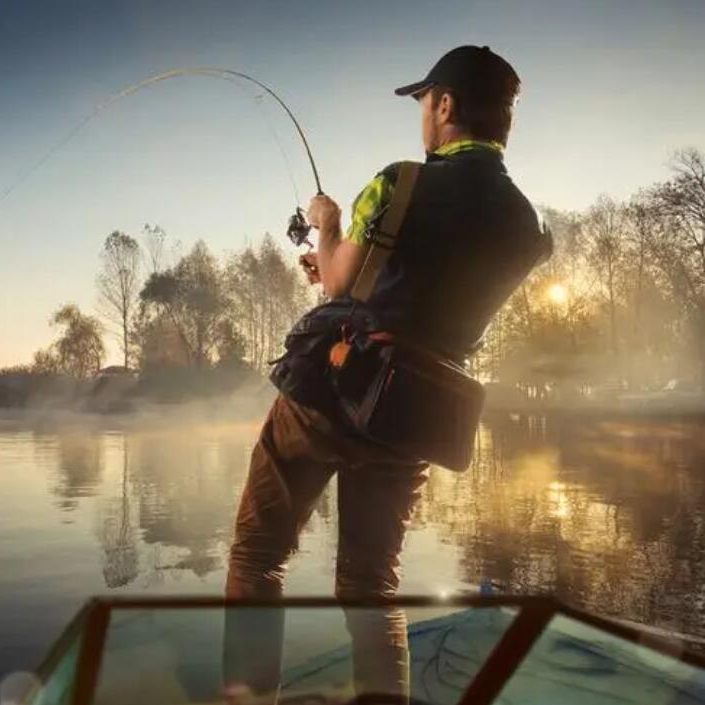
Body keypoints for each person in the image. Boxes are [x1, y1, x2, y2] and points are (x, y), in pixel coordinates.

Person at [223, 46, 552, 702]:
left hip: (330, 398)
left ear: (446, 105)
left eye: (424, 103)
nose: (421, 117)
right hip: (415, 417)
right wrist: (347, 272)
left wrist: (328, 225)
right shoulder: (525, 224)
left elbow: (340, 284)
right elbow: (428, 298)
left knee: (257, 557)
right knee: (370, 587)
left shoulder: (400, 182)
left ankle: (246, 697)